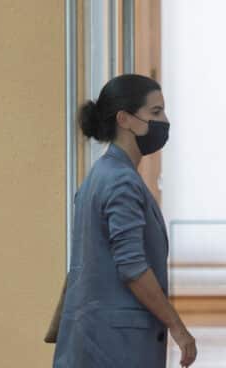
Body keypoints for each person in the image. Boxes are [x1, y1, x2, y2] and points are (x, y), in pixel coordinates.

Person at [52, 74, 197, 368]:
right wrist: (178, 328)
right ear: (124, 119)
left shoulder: (101, 173)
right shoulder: (121, 182)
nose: (164, 121)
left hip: (93, 337)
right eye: (155, 112)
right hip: (117, 343)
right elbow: (132, 267)